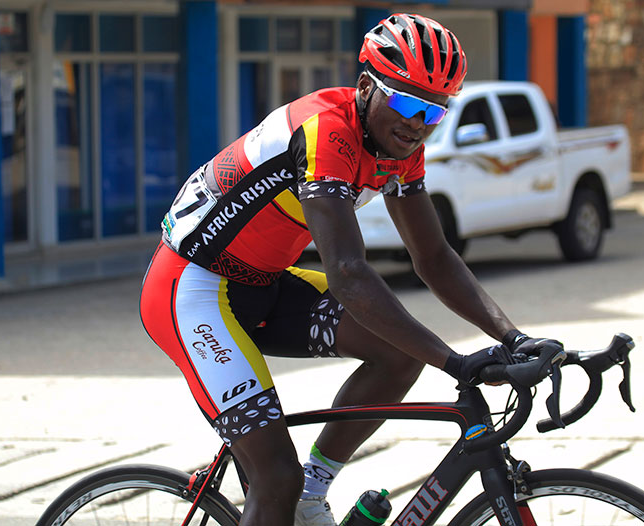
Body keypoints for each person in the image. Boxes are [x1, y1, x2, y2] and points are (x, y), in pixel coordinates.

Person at [140, 13, 562, 526]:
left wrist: (511, 336)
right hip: (193, 289)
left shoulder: (402, 149)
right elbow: (347, 271)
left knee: (398, 353)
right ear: (366, 87)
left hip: (266, 283)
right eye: (406, 102)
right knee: (275, 477)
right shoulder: (326, 132)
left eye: (435, 112)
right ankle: (292, 492)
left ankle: (310, 496)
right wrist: (455, 362)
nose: (417, 124)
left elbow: (434, 257)